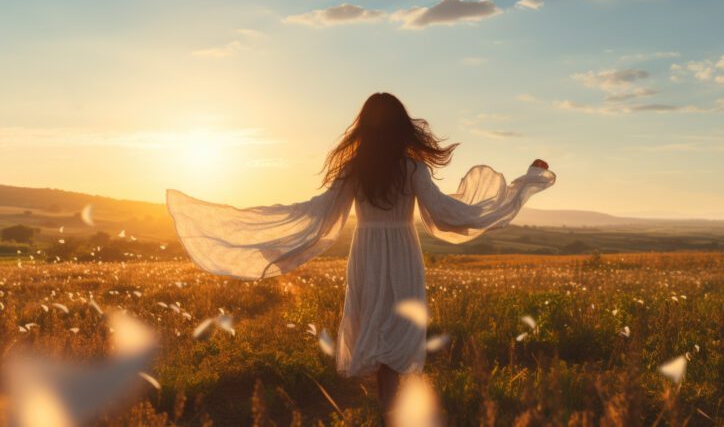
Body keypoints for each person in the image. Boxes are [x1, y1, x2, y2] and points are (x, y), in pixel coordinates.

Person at [166, 92, 556, 421]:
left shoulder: (355, 169)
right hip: (402, 253)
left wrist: (269, 240)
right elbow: (450, 214)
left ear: (364, 129)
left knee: (376, 326)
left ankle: (387, 406)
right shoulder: (412, 167)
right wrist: (521, 185)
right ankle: (391, 408)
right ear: (403, 128)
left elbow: (318, 214)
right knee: (395, 331)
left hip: (368, 253)